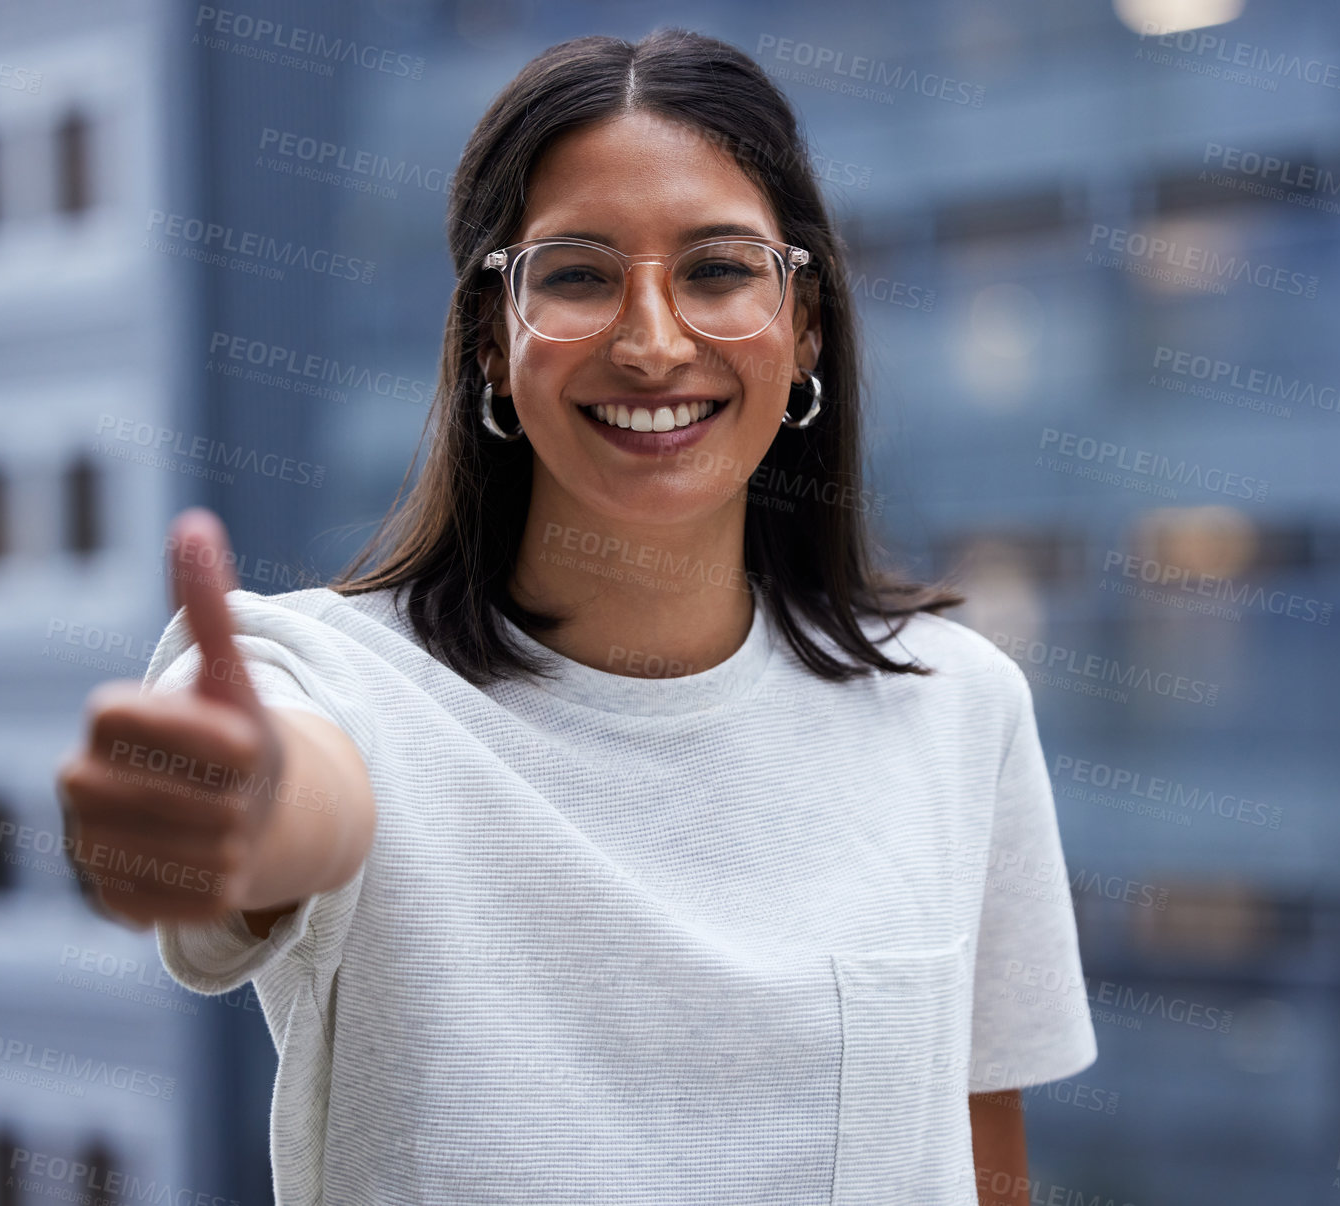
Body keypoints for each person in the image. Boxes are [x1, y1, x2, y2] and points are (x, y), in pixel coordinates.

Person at [56, 27, 1097, 1205]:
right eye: (579, 275)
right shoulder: (332, 681)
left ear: (804, 323)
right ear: (493, 342)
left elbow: (984, 1168)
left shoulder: (957, 709)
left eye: (716, 270)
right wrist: (236, 807)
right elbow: (297, 794)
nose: (654, 344)